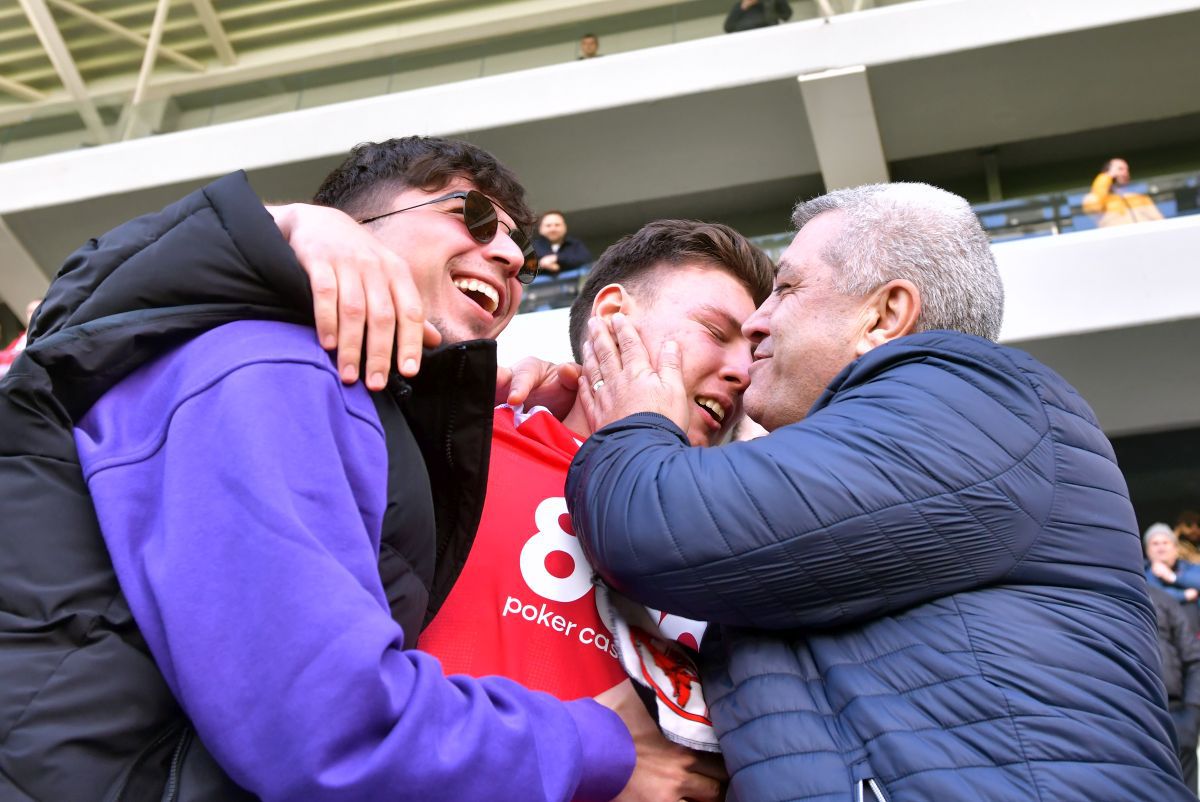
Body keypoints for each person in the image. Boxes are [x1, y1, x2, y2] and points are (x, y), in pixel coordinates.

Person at [0, 137, 716, 801]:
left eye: (519, 250)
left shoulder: (321, 385)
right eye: (469, 215)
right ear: (348, 229)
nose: (506, 255)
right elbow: (327, 726)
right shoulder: (269, 364)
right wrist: (605, 747)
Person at [567, 182, 1192, 800]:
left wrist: (633, 417)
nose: (759, 323)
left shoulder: (964, 401)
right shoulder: (895, 453)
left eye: (785, 289)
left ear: (885, 315)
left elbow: (654, 523)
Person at [419, 220, 773, 705]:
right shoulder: (453, 444)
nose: (741, 373)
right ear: (612, 315)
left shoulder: (743, 534)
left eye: (756, 356)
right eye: (715, 331)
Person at [1149, 585, 1200, 795]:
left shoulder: (1165, 600)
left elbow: (1194, 659)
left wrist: (1192, 711)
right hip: (1133, 714)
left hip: (1176, 713)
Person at [1146, 521, 1200, 630]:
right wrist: (1184, 595)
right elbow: (1151, 596)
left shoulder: (1189, 567)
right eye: (1155, 544)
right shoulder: (1142, 573)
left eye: (1165, 543)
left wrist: (1173, 577)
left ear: (1175, 548)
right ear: (1147, 550)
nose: (1161, 548)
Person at [1082, 157, 1164, 227]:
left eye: (1127, 170)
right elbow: (1095, 207)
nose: (1125, 173)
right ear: (1107, 172)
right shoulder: (1092, 198)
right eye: (1120, 169)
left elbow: (1159, 220)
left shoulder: (1139, 197)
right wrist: (1106, 177)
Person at [532, 210, 593, 277]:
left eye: (557, 225)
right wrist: (541, 264)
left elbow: (586, 259)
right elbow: (524, 269)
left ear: (564, 227)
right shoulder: (532, 247)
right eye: (548, 225)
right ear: (540, 229)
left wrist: (556, 258)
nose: (553, 229)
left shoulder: (575, 244)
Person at [0, 297, 40, 377]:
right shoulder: (19, 340)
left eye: (38, 310)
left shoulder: (45, 338)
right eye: (30, 311)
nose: (33, 314)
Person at [723, 0, 792, 33]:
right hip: (747, 41)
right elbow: (728, 27)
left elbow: (787, 15)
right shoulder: (739, 6)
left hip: (769, 36)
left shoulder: (771, 2)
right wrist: (743, 7)